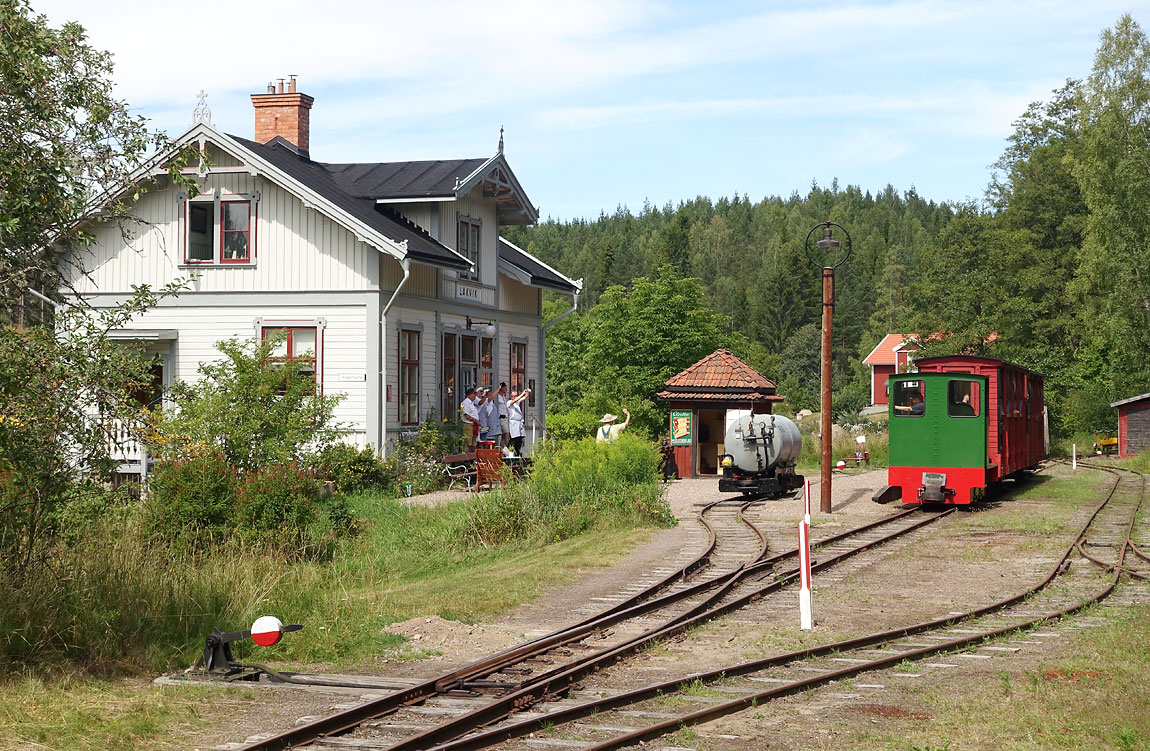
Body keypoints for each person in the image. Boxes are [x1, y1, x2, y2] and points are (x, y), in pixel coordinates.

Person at [507, 387, 530, 455]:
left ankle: (518, 452)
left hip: (519, 423)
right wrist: (522, 393)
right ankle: (510, 453)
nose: (514, 397)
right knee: (513, 438)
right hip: (514, 423)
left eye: (515, 396)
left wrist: (527, 392)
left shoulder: (517, 403)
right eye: (512, 396)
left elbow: (524, 398)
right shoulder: (509, 403)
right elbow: (515, 400)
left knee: (519, 439)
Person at [496, 382, 510, 448]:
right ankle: (509, 449)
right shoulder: (498, 397)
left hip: (506, 417)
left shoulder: (503, 397)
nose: (506, 389)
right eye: (505, 388)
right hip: (501, 418)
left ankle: (501, 451)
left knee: (503, 437)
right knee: (507, 434)